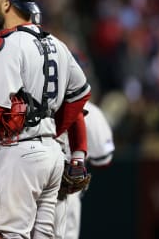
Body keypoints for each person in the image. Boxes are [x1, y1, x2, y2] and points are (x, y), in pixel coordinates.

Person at [0, 0, 91, 238]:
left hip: (19, 153)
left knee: (6, 233)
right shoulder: (58, 44)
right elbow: (79, 95)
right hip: (52, 156)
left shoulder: (8, 45)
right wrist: (54, 130)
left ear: (6, 3)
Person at [54, 100, 115, 239]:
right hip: (65, 193)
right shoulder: (89, 110)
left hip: (27, 182)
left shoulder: (27, 98)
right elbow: (103, 160)